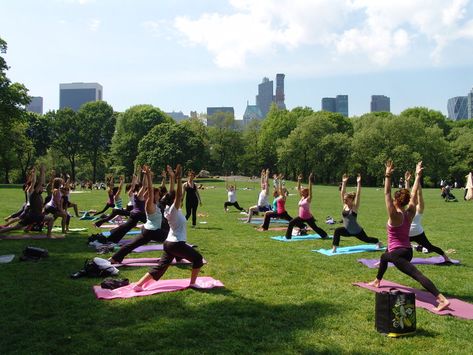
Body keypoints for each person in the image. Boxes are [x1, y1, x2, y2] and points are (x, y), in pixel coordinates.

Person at [368, 160, 450, 312]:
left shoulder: (394, 215)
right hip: (407, 251)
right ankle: (377, 280)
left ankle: (441, 299)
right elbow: (413, 195)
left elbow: (386, 192)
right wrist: (418, 175)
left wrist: (387, 174)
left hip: (398, 254)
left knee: (416, 275)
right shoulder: (410, 212)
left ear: (396, 201)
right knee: (384, 256)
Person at [133, 164, 204, 291]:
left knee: (160, 267)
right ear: (174, 200)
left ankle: (138, 285)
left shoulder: (167, 208)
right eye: (179, 198)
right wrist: (178, 178)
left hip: (169, 243)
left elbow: (173, 193)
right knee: (198, 259)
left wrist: (172, 177)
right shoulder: (173, 210)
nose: (181, 197)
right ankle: (193, 283)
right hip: (176, 243)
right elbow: (177, 195)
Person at [109, 166, 169, 264]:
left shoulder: (157, 204)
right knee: (172, 240)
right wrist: (148, 176)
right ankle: (174, 256)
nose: (160, 195)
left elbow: (157, 190)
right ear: (153, 196)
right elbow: (149, 189)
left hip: (148, 230)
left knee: (131, 245)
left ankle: (114, 258)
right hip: (152, 231)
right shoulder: (150, 204)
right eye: (158, 194)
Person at [404, 171, 452, 263]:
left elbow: (419, 194)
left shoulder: (419, 207)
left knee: (429, 246)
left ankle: (446, 258)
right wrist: (407, 181)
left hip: (418, 233)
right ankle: (383, 260)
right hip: (407, 233)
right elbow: (406, 193)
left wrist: (417, 179)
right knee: (394, 245)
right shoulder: (408, 207)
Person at [332, 174, 382, 253]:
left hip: (357, 231)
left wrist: (358, 183)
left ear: (352, 199)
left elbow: (358, 194)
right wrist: (344, 182)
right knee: (337, 231)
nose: (344, 201)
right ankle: (334, 248)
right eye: (344, 199)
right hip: (347, 230)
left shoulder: (354, 208)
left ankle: (378, 242)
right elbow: (342, 193)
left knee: (367, 239)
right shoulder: (344, 206)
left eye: (346, 199)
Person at [0, 165, 54, 237]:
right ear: (37, 188)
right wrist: (42, 172)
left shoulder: (38, 194)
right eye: (41, 187)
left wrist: (41, 173)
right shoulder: (35, 194)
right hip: (35, 215)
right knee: (51, 218)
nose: (42, 188)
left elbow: (41, 183)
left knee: (14, 228)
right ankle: (49, 236)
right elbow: (40, 182)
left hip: (32, 215)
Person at [285, 173, 328, 240]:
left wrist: (310, 181)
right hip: (301, 217)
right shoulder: (302, 197)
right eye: (301, 192)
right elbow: (299, 188)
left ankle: (324, 235)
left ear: (306, 192)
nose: (301, 192)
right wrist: (299, 180)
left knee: (315, 228)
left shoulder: (308, 199)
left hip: (308, 217)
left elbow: (310, 190)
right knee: (291, 223)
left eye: (303, 192)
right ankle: (288, 237)